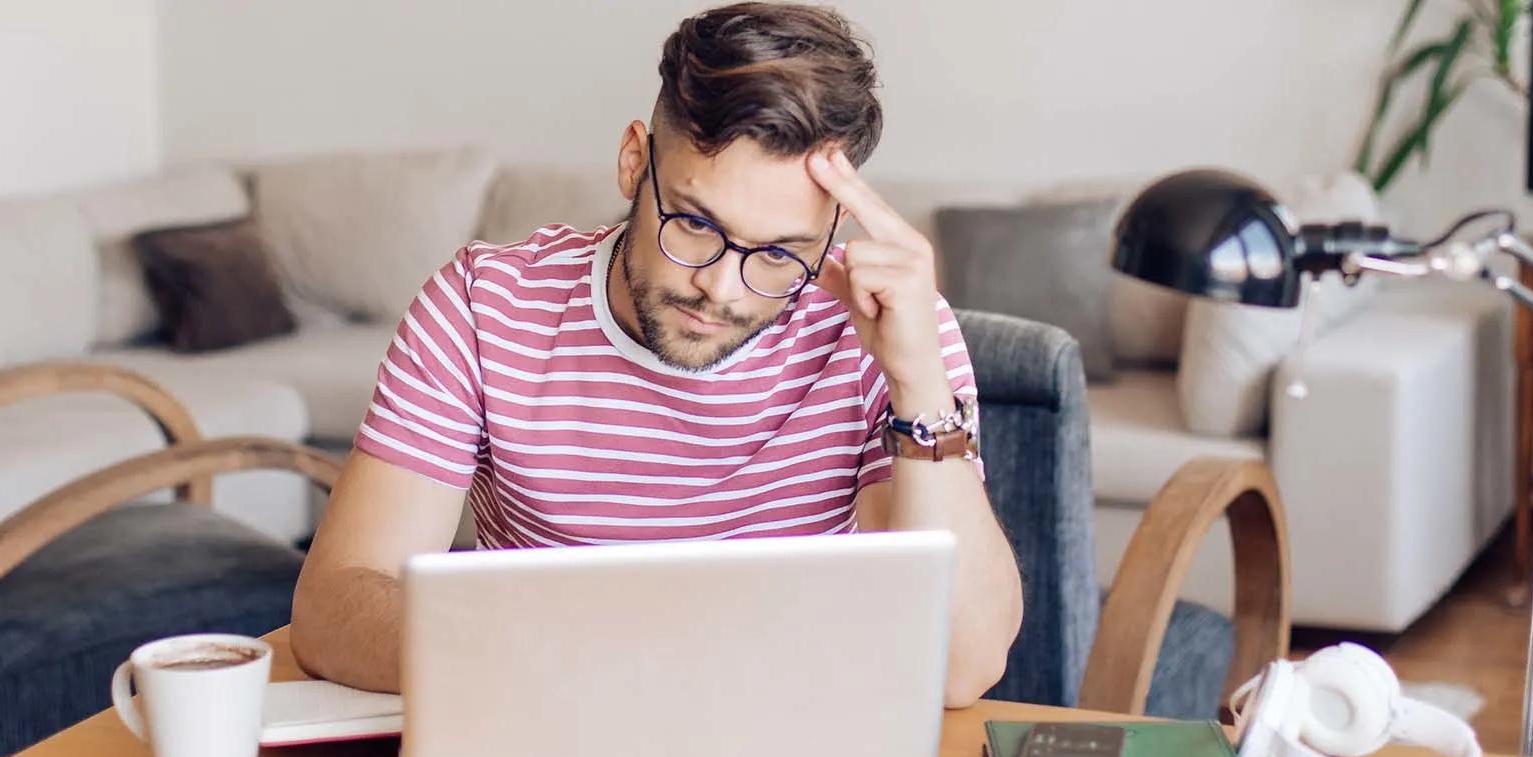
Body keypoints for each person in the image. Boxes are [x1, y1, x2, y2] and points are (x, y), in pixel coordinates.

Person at [289, 1, 1021, 708]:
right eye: (696, 225)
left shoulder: (890, 336)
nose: (721, 289)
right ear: (634, 163)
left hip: (785, 742)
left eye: (779, 254)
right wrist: (601, 664)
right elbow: (334, 606)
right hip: (541, 724)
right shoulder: (484, 305)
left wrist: (919, 383)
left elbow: (961, 667)